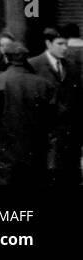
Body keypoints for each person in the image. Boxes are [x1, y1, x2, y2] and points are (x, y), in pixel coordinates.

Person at [0, 41, 55, 185]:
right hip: (36, 148)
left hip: (6, 148)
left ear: (7, 58)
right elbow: (53, 117)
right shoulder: (43, 83)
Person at [29, 27, 82, 186]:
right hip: (45, 134)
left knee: (71, 176)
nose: (64, 48)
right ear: (48, 43)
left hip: (70, 135)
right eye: (60, 44)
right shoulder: (34, 65)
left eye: (66, 44)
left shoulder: (72, 66)